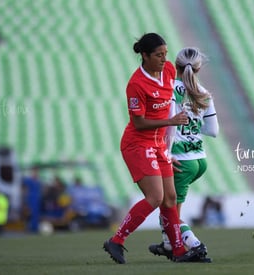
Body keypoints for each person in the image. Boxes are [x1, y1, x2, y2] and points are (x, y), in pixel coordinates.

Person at [103, 33, 206, 264]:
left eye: (165, 54)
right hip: (138, 144)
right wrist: (170, 123)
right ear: (145, 55)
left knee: (170, 198)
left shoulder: (169, 71)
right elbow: (138, 123)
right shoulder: (136, 84)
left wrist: (168, 150)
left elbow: (170, 108)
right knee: (155, 197)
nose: (163, 59)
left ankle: (178, 251)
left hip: (160, 145)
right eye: (158, 55)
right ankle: (117, 240)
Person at [148, 47, 219, 261]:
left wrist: (167, 154)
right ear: (198, 68)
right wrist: (194, 126)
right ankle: (169, 244)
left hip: (180, 161)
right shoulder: (204, 93)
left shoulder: (171, 89)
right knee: (167, 208)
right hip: (199, 159)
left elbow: (169, 126)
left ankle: (196, 245)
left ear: (176, 66)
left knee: (170, 213)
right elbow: (213, 130)